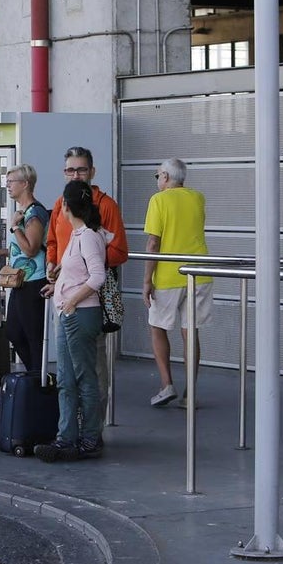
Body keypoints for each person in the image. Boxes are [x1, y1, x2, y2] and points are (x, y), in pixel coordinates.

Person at [44, 146, 128, 412]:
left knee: (93, 367)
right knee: (66, 370)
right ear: (64, 172)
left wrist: (82, 264)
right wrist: (51, 264)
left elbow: (119, 251)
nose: (76, 175)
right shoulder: (61, 204)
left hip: (91, 298)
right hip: (63, 297)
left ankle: (93, 426)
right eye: (70, 170)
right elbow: (52, 241)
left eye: (81, 170)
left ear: (92, 171)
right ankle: (71, 425)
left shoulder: (106, 205)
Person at [35, 180, 111, 463]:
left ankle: (89, 438)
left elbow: (97, 277)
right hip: (70, 312)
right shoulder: (80, 235)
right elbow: (81, 274)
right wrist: (59, 284)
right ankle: (66, 437)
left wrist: (72, 300)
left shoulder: (88, 236)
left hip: (79, 313)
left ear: (66, 206)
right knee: (67, 379)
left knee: (83, 377)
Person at [143, 158, 212, 408]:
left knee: (157, 327)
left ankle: (166, 385)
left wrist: (147, 280)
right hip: (199, 273)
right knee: (190, 331)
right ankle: (189, 393)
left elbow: (153, 243)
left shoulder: (158, 200)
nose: (157, 180)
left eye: (157, 176)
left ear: (165, 176)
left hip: (168, 275)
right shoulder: (198, 198)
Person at [0, 164, 50, 373]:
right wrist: (2, 252)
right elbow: (21, 248)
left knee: (33, 335)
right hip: (20, 280)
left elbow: (31, 249)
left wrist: (14, 227)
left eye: (11, 182)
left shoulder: (34, 213)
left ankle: (38, 378)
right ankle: (34, 374)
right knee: (13, 331)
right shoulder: (22, 212)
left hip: (34, 281)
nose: (8, 186)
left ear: (25, 184)